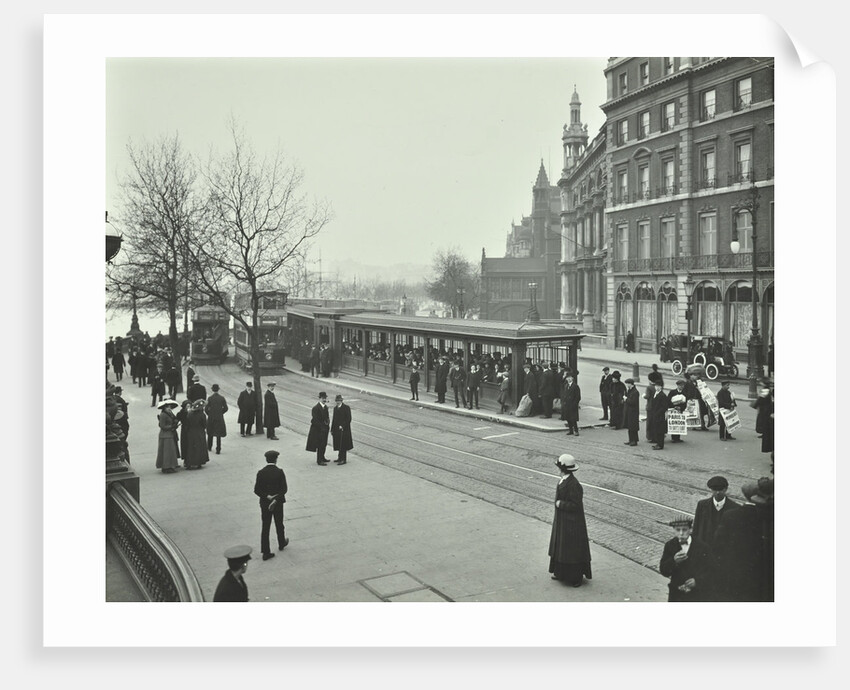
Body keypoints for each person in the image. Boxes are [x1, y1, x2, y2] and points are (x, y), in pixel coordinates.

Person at [713, 478, 774, 602]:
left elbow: (718, 547)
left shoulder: (730, 515)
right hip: (761, 580)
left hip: (733, 575)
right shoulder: (768, 517)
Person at [548, 454, 592, 587]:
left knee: (571, 549)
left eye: (558, 467)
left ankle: (575, 576)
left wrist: (560, 504)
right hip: (563, 521)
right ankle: (560, 572)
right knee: (561, 546)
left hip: (572, 523)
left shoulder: (573, 484)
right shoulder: (564, 480)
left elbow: (576, 505)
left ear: (563, 469)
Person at [659, 516, 714, 602]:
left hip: (696, 595)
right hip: (676, 594)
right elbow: (663, 570)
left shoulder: (702, 547)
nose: (681, 533)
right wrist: (674, 561)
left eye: (684, 530)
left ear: (690, 529)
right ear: (673, 530)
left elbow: (711, 571)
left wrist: (697, 581)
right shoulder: (670, 545)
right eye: (678, 530)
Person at [254, 450, 289, 561]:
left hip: (265, 503)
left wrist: (267, 497)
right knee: (279, 523)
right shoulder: (279, 472)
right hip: (278, 503)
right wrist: (275, 499)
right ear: (276, 459)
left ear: (266, 459)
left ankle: (265, 552)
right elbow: (284, 489)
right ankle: (281, 542)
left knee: (265, 526)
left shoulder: (261, 472)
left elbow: (256, 490)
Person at [692, 476, 740, 550]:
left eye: (720, 490)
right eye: (715, 490)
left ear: (725, 489)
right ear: (711, 489)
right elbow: (696, 527)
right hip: (704, 547)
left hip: (725, 549)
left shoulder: (735, 507)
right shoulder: (702, 505)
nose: (717, 493)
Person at [154, 399, 180, 474]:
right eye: (167, 407)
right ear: (164, 408)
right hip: (165, 435)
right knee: (167, 452)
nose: (169, 408)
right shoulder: (163, 415)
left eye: (170, 406)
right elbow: (162, 426)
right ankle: (166, 467)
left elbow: (174, 419)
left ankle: (170, 465)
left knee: (170, 451)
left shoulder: (170, 413)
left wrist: (176, 422)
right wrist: (171, 426)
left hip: (170, 434)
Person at [183, 399, 210, 470]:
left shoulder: (190, 414)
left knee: (191, 447)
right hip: (199, 432)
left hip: (190, 432)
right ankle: (198, 462)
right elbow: (204, 425)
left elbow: (187, 423)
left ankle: (189, 463)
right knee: (199, 447)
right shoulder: (202, 415)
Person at [306, 391, 331, 465]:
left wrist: (327, 423)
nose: (324, 400)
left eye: (325, 398)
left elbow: (327, 417)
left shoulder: (325, 407)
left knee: (324, 444)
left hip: (325, 429)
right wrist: (322, 427)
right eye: (323, 398)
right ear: (319, 399)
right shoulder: (315, 408)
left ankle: (323, 457)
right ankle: (319, 460)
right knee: (320, 445)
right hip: (318, 430)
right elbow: (315, 420)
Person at [205, 383, 228, 455]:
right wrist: (221, 413)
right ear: (218, 390)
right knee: (218, 434)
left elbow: (206, 409)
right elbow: (226, 408)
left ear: (212, 390)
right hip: (219, 417)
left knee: (210, 432)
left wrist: (210, 414)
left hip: (211, 417)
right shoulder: (222, 398)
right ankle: (218, 449)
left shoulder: (210, 398)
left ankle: (209, 446)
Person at [331, 394, 353, 464]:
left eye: (339, 401)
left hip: (344, 430)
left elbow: (349, 419)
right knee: (338, 444)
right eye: (337, 401)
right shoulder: (335, 408)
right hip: (337, 429)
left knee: (343, 445)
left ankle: (343, 459)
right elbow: (334, 419)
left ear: (341, 401)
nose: (338, 402)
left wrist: (342, 426)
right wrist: (332, 429)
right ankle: (339, 457)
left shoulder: (346, 408)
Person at [649, 380, 670, 450]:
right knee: (657, 429)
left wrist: (657, 413)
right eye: (656, 386)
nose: (657, 387)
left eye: (658, 386)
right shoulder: (655, 393)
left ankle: (660, 445)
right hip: (655, 414)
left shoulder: (662, 395)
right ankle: (658, 443)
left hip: (660, 415)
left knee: (660, 431)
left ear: (661, 387)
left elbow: (664, 407)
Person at [562, 371, 581, 436]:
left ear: (572, 378)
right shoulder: (566, 386)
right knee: (568, 418)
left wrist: (575, 404)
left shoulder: (575, 386)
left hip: (572, 405)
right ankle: (570, 430)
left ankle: (576, 430)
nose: (569, 379)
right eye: (568, 378)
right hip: (567, 405)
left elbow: (578, 397)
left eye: (570, 378)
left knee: (573, 419)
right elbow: (564, 395)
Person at [623, 377, 640, 446]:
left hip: (633, 412)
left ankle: (634, 441)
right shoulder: (629, 390)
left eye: (627, 384)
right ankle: (631, 440)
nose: (627, 385)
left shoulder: (635, 392)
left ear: (631, 384)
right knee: (630, 426)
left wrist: (626, 399)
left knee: (633, 427)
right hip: (629, 411)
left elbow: (633, 402)